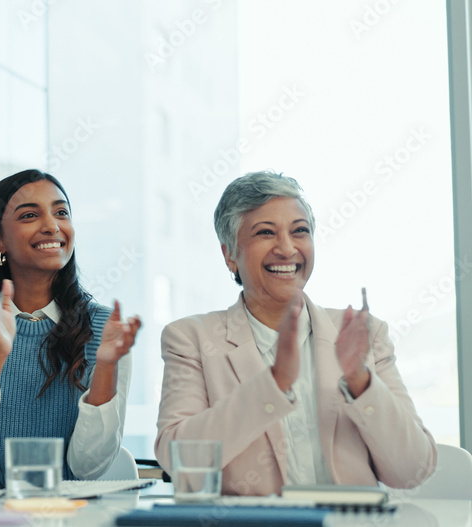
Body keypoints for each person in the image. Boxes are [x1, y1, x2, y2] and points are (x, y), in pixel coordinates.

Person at [155, 170, 437, 496]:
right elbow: (176, 459)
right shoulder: (191, 338)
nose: (287, 249)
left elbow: (413, 471)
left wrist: (361, 382)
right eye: (265, 233)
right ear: (230, 255)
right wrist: (273, 384)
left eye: (299, 231)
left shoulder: (365, 334)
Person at [0, 170, 141, 488]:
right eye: (30, 215)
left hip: (73, 517)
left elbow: (88, 468)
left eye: (61, 212)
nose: (51, 225)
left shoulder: (107, 330)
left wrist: (107, 366)